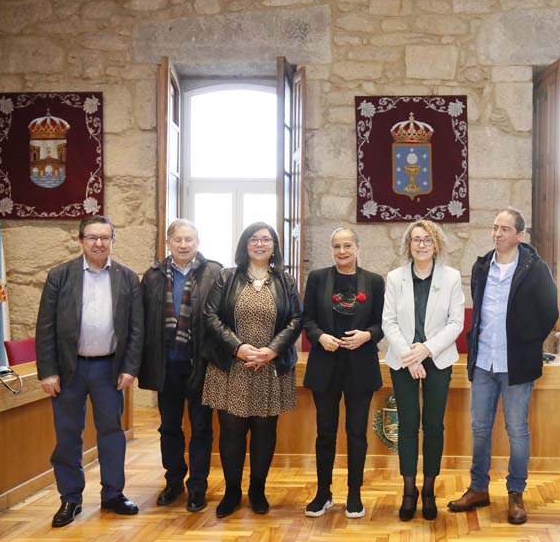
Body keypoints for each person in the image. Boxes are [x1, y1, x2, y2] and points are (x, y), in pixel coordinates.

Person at [447, 208, 558, 525]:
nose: (497, 233)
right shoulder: (482, 266)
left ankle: (515, 493)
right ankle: (478, 488)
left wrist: (527, 341)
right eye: (495, 227)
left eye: (505, 229)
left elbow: (549, 312)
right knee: (480, 428)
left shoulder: (535, 269)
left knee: (517, 430)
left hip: (516, 365)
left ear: (520, 235)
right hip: (483, 361)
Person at [36, 215, 143, 528]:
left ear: (113, 241)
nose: (99, 243)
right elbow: (45, 327)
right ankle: (70, 498)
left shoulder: (127, 278)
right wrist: (48, 372)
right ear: (81, 240)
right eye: (92, 237)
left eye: (105, 237)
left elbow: (136, 329)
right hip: (69, 369)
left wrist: (130, 367)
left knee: (112, 433)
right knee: (68, 435)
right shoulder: (60, 276)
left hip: (109, 368)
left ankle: (113, 494)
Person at [202, 222, 302, 518]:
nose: (260, 244)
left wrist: (272, 350)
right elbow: (210, 316)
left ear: (274, 246)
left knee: (264, 431)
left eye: (266, 240)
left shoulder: (285, 280)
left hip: (270, 368)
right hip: (232, 367)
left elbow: (297, 319)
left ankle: (258, 490)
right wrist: (238, 347)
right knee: (231, 432)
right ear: (245, 244)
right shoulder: (227, 277)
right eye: (254, 239)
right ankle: (232, 492)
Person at [382, 220, 464, 521]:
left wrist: (426, 350)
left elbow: (456, 323)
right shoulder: (395, 278)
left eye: (427, 240)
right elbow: (388, 321)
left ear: (436, 244)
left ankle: (428, 489)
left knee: (433, 425)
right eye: (416, 240)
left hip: (438, 358)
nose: (421, 245)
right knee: (407, 425)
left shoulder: (451, 277)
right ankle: (409, 490)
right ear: (408, 244)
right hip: (403, 359)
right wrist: (411, 356)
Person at [301, 227, 385, 519]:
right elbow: (307, 318)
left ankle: (354, 494)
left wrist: (367, 335)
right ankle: (323, 493)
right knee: (325, 432)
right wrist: (320, 337)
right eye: (336, 246)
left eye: (347, 245)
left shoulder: (374, 281)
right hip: (325, 365)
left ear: (357, 248)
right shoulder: (318, 278)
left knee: (357, 433)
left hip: (360, 366)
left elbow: (382, 323)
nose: (342, 251)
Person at [139, 219, 222, 513]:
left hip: (201, 364)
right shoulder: (152, 276)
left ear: (197, 242)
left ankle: (197, 487)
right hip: (167, 365)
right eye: (178, 240)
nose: (184, 245)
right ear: (168, 243)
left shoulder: (215, 273)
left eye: (189, 240)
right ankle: (173, 481)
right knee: (169, 427)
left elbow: (222, 316)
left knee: (201, 427)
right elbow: (142, 321)